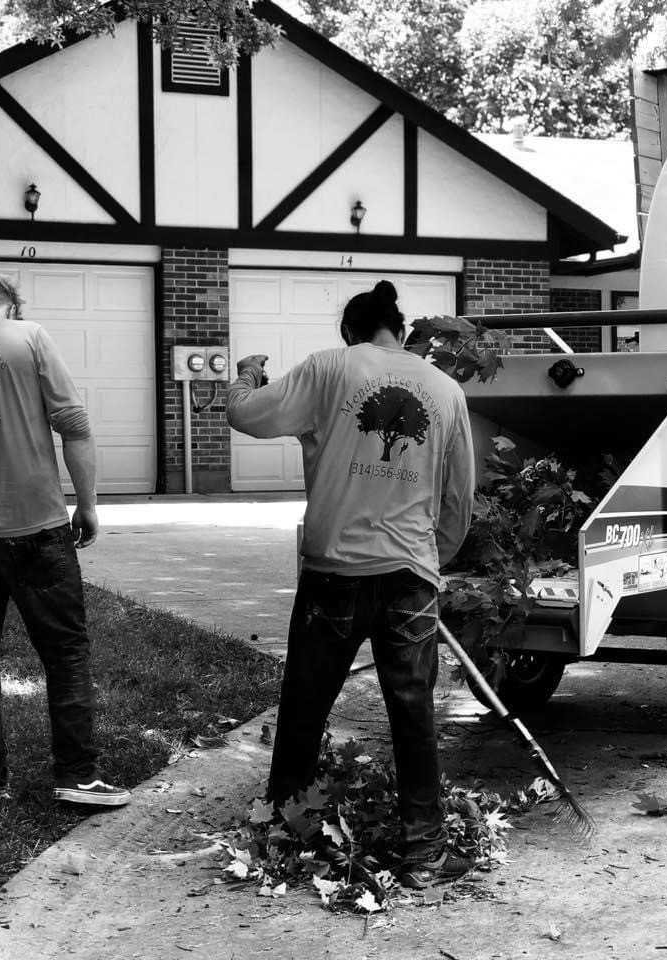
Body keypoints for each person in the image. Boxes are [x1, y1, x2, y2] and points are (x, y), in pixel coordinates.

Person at [226, 279, 475, 888]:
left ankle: (285, 829)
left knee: (305, 703)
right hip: (410, 576)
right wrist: (430, 559)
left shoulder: (328, 369)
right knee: (413, 712)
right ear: (400, 330)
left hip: (333, 573)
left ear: (349, 331)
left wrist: (246, 375)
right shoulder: (446, 390)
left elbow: (246, 414)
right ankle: (424, 851)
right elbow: (459, 497)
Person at [0, 274, 130, 809]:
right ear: (9, 306)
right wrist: (88, 505)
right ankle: (77, 777)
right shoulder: (29, 336)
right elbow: (74, 424)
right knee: (65, 654)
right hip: (37, 528)